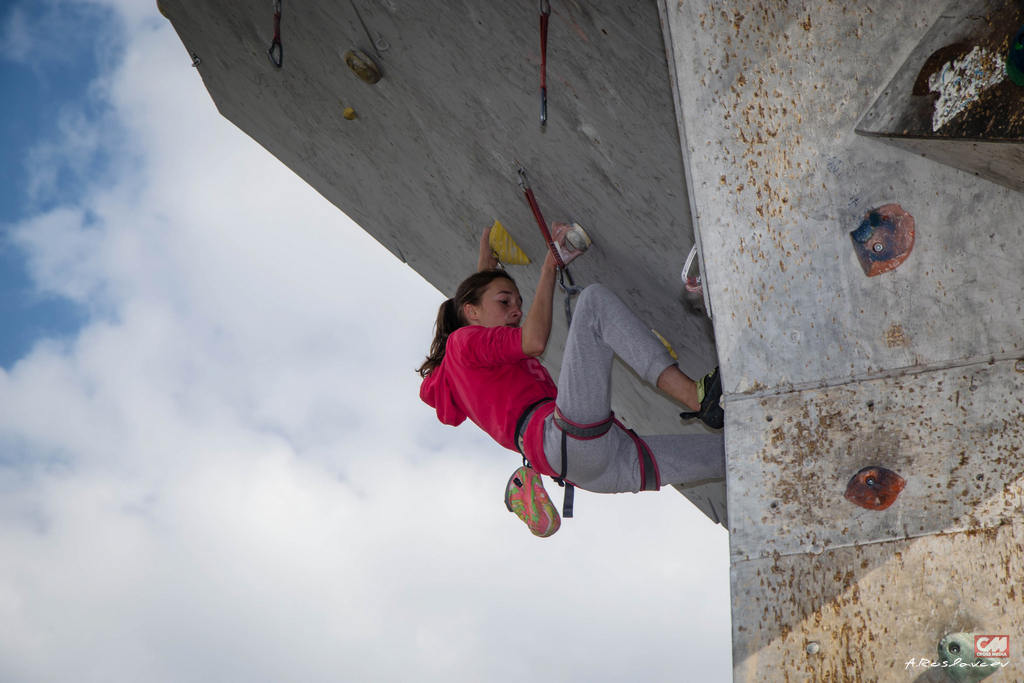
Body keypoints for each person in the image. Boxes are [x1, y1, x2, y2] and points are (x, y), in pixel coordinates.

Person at [418, 226, 724, 497]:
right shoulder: (463, 343)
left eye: (518, 303)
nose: (517, 311)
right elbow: (533, 341)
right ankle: (696, 398)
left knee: (733, 453)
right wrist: (550, 265)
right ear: (470, 312)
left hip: (589, 467)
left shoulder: (465, 373)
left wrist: (486, 261)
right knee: (592, 305)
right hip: (566, 442)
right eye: (506, 302)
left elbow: (480, 305)